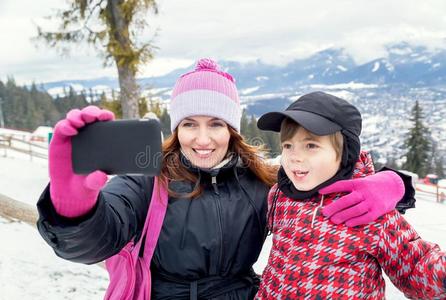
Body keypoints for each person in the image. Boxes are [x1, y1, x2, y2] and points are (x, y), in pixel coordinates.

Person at [37, 59, 413, 299]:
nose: (203, 139)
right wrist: (73, 204)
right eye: (189, 124)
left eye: (216, 123)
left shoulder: (263, 181)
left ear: (232, 127)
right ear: (176, 128)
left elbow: (325, 180)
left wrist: (393, 184)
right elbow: (94, 242)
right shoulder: (148, 181)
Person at [256, 91, 446, 299]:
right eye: (288, 145)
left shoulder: (368, 209)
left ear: (345, 153)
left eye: (311, 146)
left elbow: (415, 266)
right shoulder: (280, 196)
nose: (295, 157)